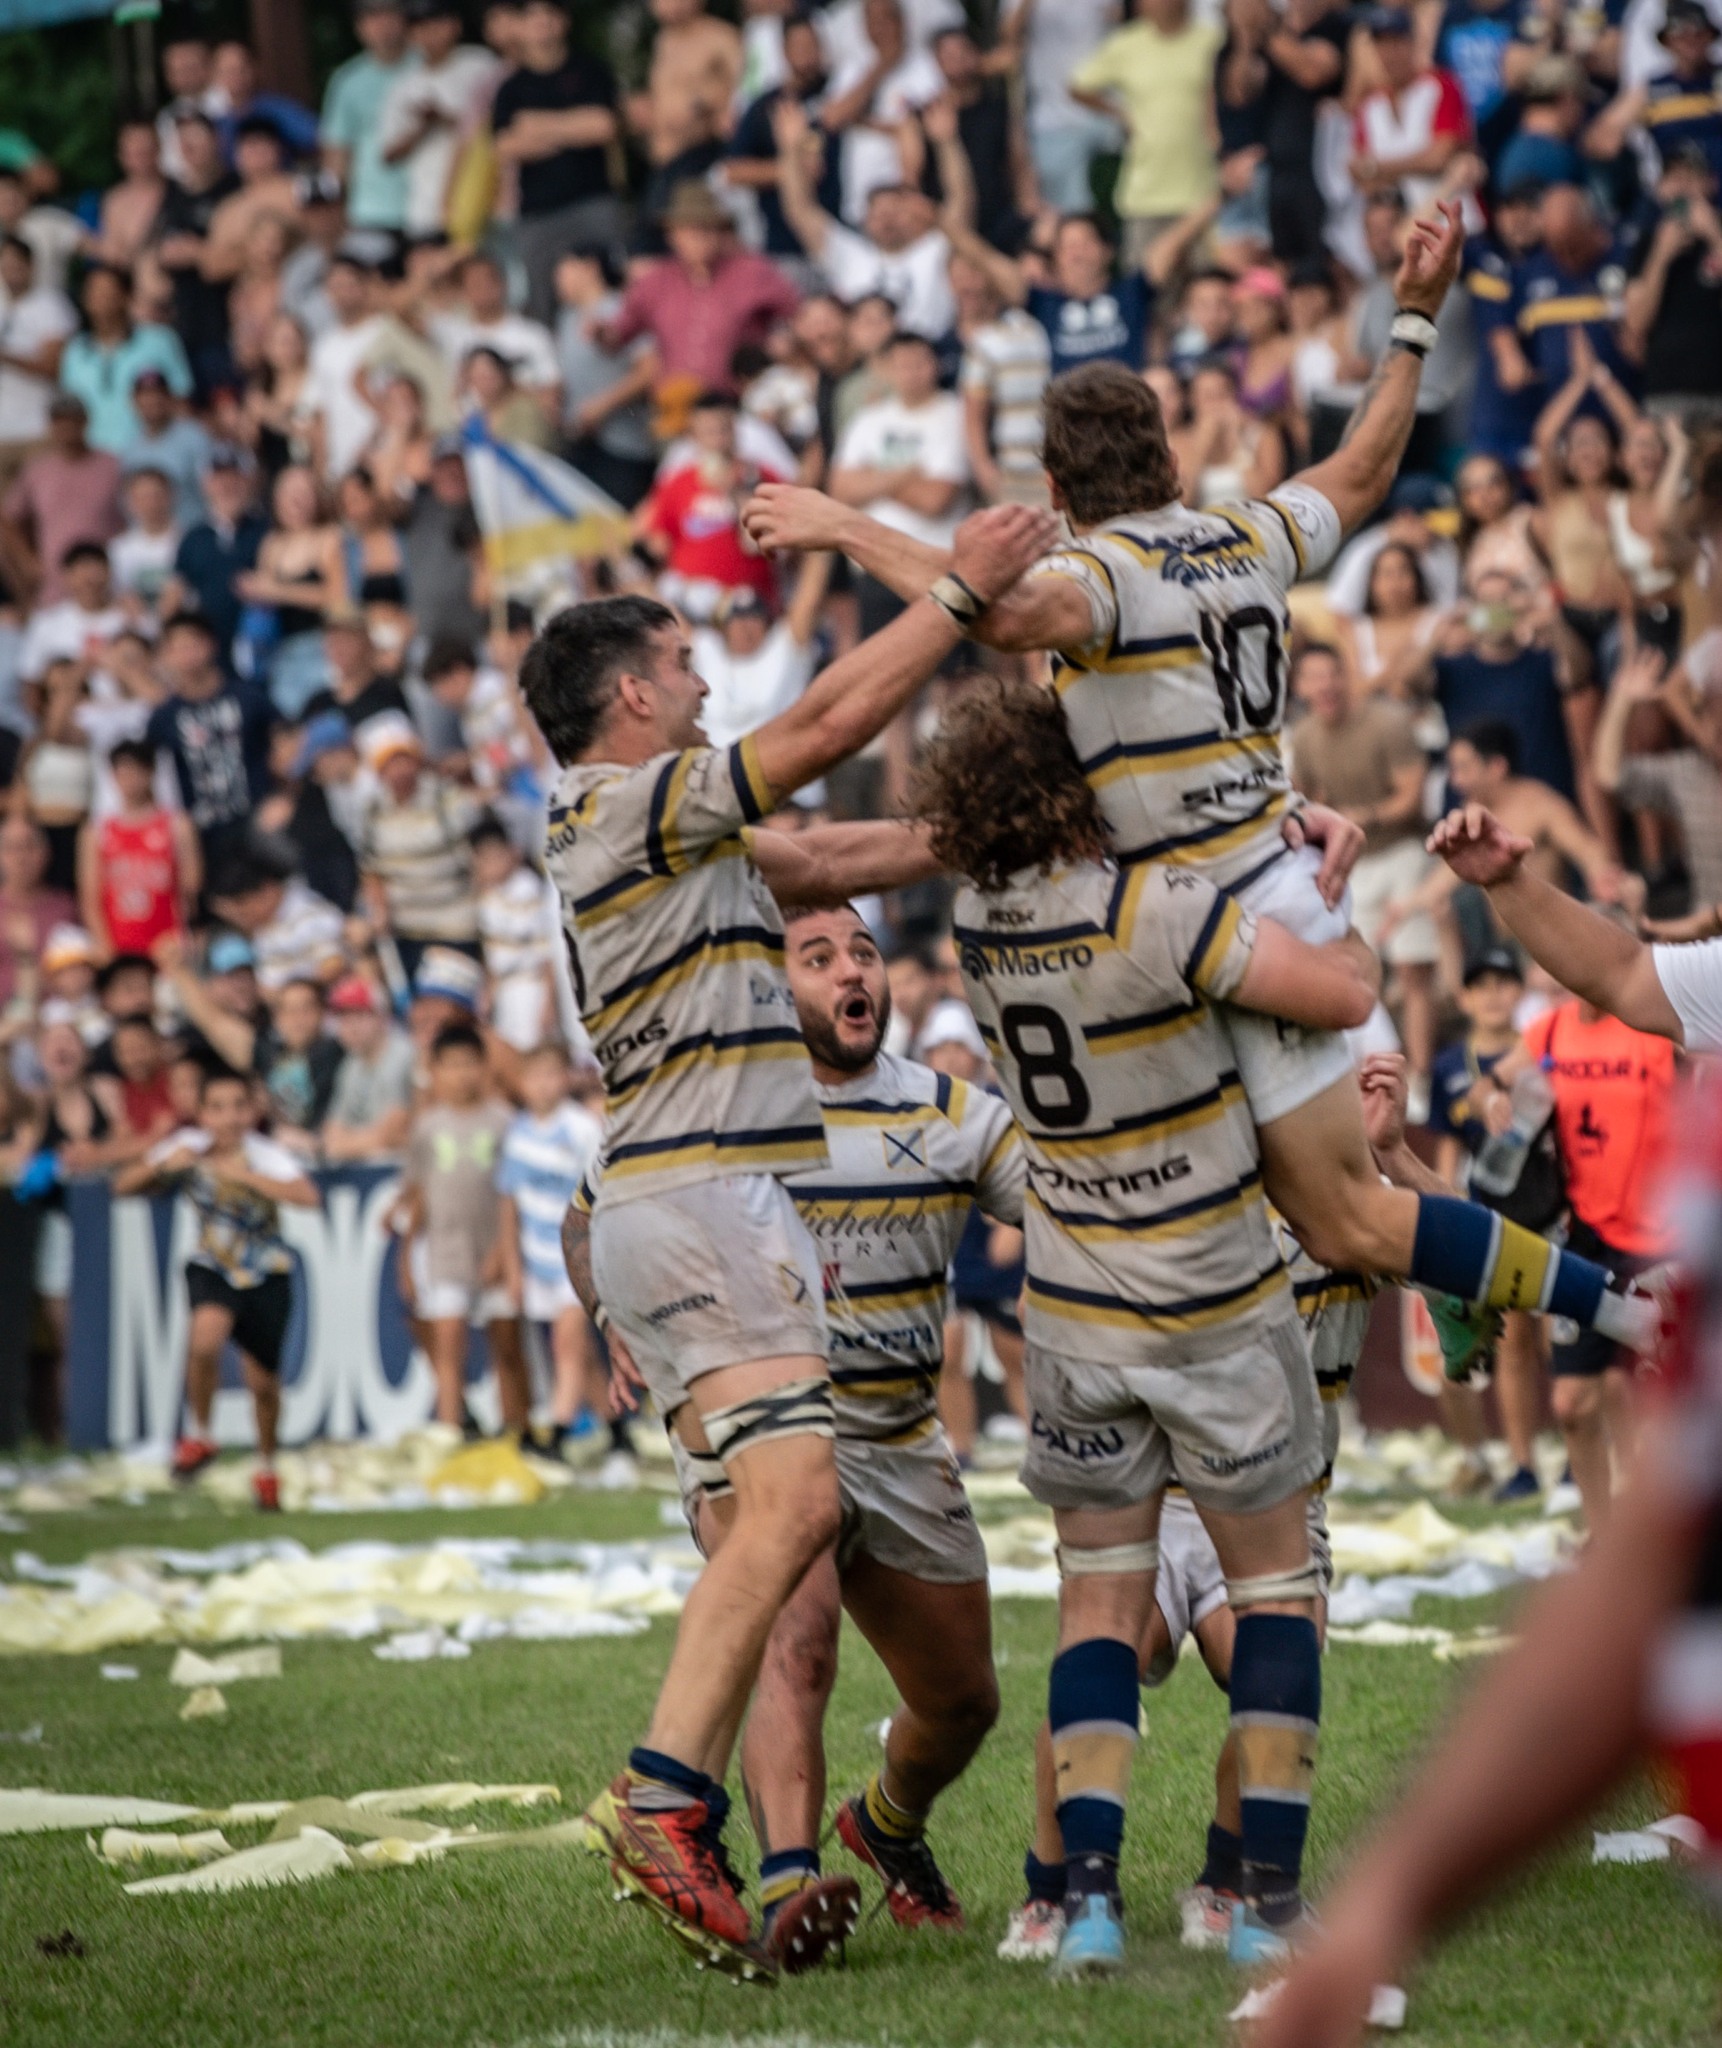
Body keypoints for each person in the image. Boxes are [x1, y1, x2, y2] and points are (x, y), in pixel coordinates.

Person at [744, 202, 1661, 1364]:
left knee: (1339, 1217)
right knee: (1319, 1210)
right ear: (1170, 458)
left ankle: (1596, 1299)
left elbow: (1002, 604)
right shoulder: (1253, 535)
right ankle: (1477, 1276)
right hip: (1258, 889)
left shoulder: (1103, 573)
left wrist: (838, 522)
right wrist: (1414, 321)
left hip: (1200, 921)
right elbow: (1368, 466)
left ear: (1057, 486)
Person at [523, 503, 1053, 1979]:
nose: (702, 683)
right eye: (684, 664)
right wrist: (956, 592)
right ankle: (665, 1800)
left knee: (797, 1513)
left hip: (700, 1196)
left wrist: (1011, 832)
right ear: (629, 692)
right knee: (791, 1514)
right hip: (694, 1194)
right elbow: (821, 725)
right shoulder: (631, 799)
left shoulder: (662, 824)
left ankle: (670, 1802)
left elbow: (821, 850)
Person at [906, 674, 1374, 1975]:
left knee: (1094, 1612)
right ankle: (1261, 1904)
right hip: (1212, 1295)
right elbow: (1331, 998)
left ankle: (1087, 1906)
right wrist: (1332, 915)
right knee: (1278, 1592)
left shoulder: (973, 918)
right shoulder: (1156, 906)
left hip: (1072, 1309)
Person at [580, 897, 1022, 1966]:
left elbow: (1064, 1212)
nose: (849, 971)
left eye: (863, 952)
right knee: (799, 1623)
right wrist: (611, 1313)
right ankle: (786, 1881)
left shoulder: (953, 1111)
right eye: (816, 956)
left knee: (964, 1701)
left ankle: (884, 1820)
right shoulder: (710, 1109)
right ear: (774, 986)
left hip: (899, 1428)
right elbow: (587, 1209)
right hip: (758, 1426)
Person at [113, 1063, 320, 1511]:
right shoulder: (187, 1147)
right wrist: (165, 1168)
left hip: (266, 1271)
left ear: (253, 1111)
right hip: (213, 1264)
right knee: (204, 1340)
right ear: (201, 1113)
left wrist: (245, 1177)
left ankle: (266, 1466)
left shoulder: (264, 1155)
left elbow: (307, 1196)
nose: (229, 1118)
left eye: (238, 1107)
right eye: (218, 1108)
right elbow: (124, 1185)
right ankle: (201, 1434)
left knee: (263, 1384)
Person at [1287, 642, 1439, 1099]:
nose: (1325, 685)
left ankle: (1423, 1080)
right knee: (1360, 975)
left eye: (1332, 674)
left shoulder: (1386, 723)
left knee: (1414, 971)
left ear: (1345, 676)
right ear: (1299, 687)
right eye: (1313, 677)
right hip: (1350, 866)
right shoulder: (1305, 737)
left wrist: (1362, 817)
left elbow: (1411, 795)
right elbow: (1302, 798)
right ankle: (1385, 1081)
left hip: (1402, 852)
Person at [391, 1018, 528, 1432]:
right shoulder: (426, 1128)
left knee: (507, 1344)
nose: (461, 1074)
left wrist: (506, 1254)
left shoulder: (505, 1122)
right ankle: (450, 1433)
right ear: (433, 1072)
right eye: (450, 1065)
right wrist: (405, 1259)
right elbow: (417, 1195)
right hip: (446, 1251)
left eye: (470, 1063)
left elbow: (517, 1197)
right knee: (448, 1342)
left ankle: (517, 1431)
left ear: (485, 1067)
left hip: (495, 1248)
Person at [496, 1038, 611, 1452]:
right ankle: (617, 1430)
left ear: (564, 1079)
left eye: (551, 1075)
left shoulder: (583, 1129)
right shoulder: (517, 1135)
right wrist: (512, 1268)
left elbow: (604, 1191)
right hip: (536, 1257)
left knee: (566, 1341)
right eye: (534, 1077)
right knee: (579, 1352)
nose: (543, 1085)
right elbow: (508, 1206)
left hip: (579, 1252)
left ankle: (558, 1433)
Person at [490, 0, 625, 323]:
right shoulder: (511, 88)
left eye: (549, 15)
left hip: (593, 201)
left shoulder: (591, 70)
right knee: (542, 299)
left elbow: (604, 126)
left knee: (609, 288)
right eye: (531, 16)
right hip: (538, 212)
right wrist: (573, 127)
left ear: (563, 22)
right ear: (519, 27)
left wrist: (537, 125)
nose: (541, 24)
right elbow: (506, 147)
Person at [829, 330, 971, 636]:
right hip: (874, 564)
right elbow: (840, 488)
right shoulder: (869, 418)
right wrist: (906, 474)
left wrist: (873, 475)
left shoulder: (955, 413)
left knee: (950, 676)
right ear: (889, 370)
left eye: (920, 363)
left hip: (937, 563)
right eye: (903, 365)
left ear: (936, 365)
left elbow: (936, 499)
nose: (912, 373)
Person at [1066, 0, 1223, 267]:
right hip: (1146, 193)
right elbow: (1078, 86)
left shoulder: (1212, 39)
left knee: (1206, 287)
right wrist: (1119, 113)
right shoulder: (1126, 44)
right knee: (1145, 294)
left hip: (1204, 190)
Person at [353, 717, 482, 984]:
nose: (398, 770)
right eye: (389, 763)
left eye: (403, 759)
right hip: (406, 932)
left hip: (456, 925)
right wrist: (379, 910)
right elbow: (371, 869)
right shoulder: (373, 812)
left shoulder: (444, 798)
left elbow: (477, 852)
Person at [380, 0, 499, 243]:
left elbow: (498, 125)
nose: (430, 33)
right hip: (425, 205)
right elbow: (388, 154)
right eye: (420, 27)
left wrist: (444, 117)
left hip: (481, 197)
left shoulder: (481, 65)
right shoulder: (404, 85)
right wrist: (423, 126)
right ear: (410, 34)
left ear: (455, 25)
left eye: (437, 23)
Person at [76, 737, 200, 963]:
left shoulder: (177, 825)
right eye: (122, 771)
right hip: (119, 948)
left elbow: (190, 889)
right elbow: (90, 897)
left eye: (136, 770)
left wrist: (184, 938)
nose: (129, 779)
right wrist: (106, 948)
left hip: (168, 947)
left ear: (150, 773)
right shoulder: (96, 832)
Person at [0, 395, 122, 607]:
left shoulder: (112, 465)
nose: (66, 427)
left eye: (72, 420)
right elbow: (8, 518)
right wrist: (29, 561)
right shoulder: (38, 470)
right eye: (59, 421)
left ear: (85, 421)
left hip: (105, 583)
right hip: (55, 586)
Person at [319, 0, 415, 238]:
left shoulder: (430, 65)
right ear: (358, 27)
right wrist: (336, 216)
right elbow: (337, 155)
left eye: (388, 12)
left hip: (431, 209)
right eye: (371, 16)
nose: (381, 23)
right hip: (369, 212)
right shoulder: (346, 80)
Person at [0, 235, 75, 488]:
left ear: (31, 266)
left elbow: (54, 368)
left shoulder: (51, 305)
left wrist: (7, 357)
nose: (11, 271)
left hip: (37, 428)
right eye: (6, 264)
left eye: (17, 264)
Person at [320, 972, 417, 1162]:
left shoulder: (404, 1054)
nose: (351, 1026)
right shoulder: (350, 1065)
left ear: (382, 1017)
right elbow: (331, 1135)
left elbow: (395, 1131)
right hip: (367, 1164)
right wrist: (357, 1143)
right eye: (344, 1018)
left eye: (360, 1016)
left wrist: (347, 1143)